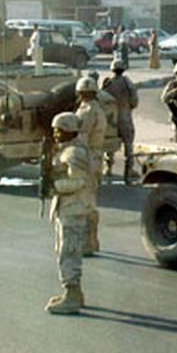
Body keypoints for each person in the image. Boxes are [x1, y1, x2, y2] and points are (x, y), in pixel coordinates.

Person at [45, 112, 93, 315]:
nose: (55, 134)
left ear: (68, 131)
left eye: (59, 130)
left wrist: (54, 185)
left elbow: (78, 181)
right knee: (65, 249)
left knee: (69, 251)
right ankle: (74, 293)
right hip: (68, 207)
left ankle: (71, 295)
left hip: (74, 208)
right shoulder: (67, 151)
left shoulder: (75, 153)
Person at [75, 76, 107, 255]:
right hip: (95, 156)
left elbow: (82, 136)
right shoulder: (97, 109)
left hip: (87, 156)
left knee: (85, 201)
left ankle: (87, 245)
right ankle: (92, 242)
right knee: (91, 200)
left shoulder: (87, 112)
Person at [102, 59, 139, 185]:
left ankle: (108, 168)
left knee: (110, 144)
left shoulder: (107, 83)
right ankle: (128, 172)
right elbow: (134, 101)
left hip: (111, 118)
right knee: (128, 145)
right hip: (125, 117)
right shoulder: (127, 83)